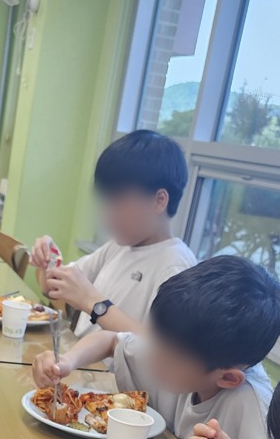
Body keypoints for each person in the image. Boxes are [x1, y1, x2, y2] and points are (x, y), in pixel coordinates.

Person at [32, 257, 280, 439]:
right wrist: (67, 361)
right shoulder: (172, 350)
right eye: (154, 339)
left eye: (167, 357)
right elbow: (112, 340)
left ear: (228, 378)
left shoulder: (252, 406)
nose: (151, 357)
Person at [28, 129, 195, 337]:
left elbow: (161, 350)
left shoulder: (176, 268)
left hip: (95, 360)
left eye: (118, 202)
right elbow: (50, 289)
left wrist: (93, 302)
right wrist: (47, 261)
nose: (108, 216)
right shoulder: (118, 247)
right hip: (75, 355)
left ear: (159, 200)